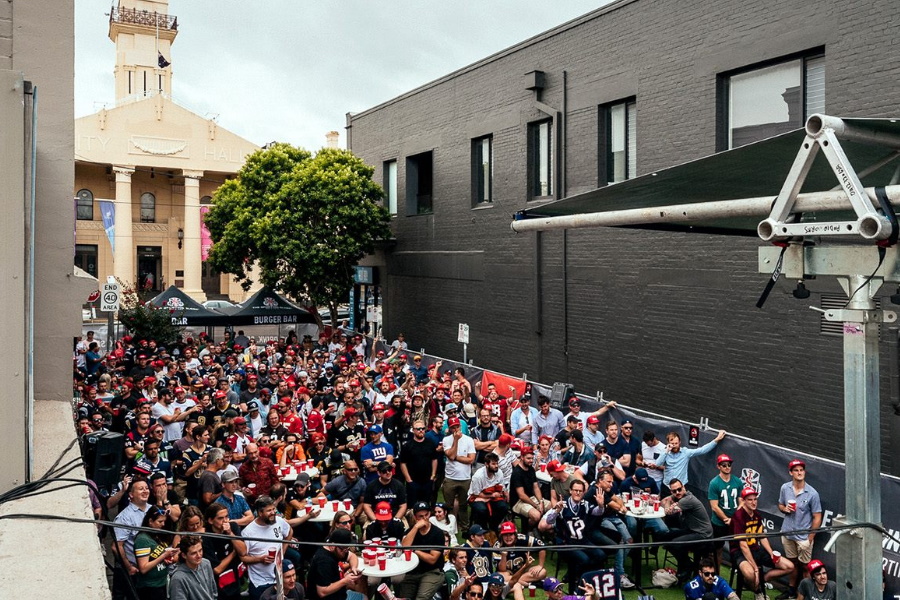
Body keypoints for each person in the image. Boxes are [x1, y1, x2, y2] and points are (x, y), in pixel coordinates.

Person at [540, 479, 607, 587]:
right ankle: (576, 581)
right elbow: (549, 521)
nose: (578, 493)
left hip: (582, 540)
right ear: (570, 491)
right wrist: (557, 511)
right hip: (566, 542)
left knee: (601, 555)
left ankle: (586, 579)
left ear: (584, 492)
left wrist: (600, 505)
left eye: (580, 491)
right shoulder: (563, 504)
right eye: (575, 490)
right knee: (584, 559)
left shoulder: (584, 504)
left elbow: (597, 512)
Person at [732, 487, 793, 600]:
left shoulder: (757, 515)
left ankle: (760, 582)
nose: (753, 502)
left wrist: (771, 554)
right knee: (750, 574)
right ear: (744, 501)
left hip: (756, 549)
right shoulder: (738, 516)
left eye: (755, 499)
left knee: (789, 566)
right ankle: (757, 590)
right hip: (739, 552)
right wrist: (755, 568)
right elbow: (743, 545)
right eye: (750, 500)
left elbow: (762, 537)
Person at [777, 459, 823, 600]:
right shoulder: (785, 488)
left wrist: (810, 537)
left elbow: (817, 517)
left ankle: (806, 594)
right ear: (791, 473)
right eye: (796, 470)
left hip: (804, 537)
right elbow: (780, 505)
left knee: (805, 567)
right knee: (792, 564)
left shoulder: (812, 493)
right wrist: (785, 509)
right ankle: (791, 590)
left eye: (801, 470)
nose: (799, 472)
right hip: (787, 533)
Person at [240, 495, 294, 600]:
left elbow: (289, 531)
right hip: (260, 583)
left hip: (279, 578)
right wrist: (260, 559)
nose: (273, 512)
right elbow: (243, 558)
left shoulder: (279, 521)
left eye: (274, 508)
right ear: (260, 513)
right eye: (269, 510)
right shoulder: (248, 532)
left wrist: (283, 550)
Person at [660, 478, 714, 583]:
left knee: (674, 544)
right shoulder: (679, 496)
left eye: (679, 489)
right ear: (671, 491)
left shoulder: (688, 499)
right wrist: (669, 500)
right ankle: (686, 564)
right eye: (674, 491)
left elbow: (668, 512)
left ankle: (688, 566)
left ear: (684, 487)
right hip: (692, 530)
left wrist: (669, 501)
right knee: (665, 537)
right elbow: (662, 501)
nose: (677, 493)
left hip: (703, 534)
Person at [397, 502, 447, 600]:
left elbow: (432, 559)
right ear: (415, 517)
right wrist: (416, 527)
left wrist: (415, 550)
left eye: (426, 515)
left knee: (422, 598)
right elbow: (404, 547)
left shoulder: (437, 533)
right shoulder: (410, 531)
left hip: (432, 571)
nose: (424, 519)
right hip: (412, 572)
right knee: (403, 598)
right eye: (420, 516)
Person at [113, 477, 151, 598]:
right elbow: (116, 547)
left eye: (146, 488)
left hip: (151, 569)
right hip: (133, 571)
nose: (145, 491)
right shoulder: (124, 517)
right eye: (141, 489)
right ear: (131, 495)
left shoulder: (153, 510)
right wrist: (129, 567)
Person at [650, 429, 727, 489]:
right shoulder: (665, 453)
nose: (674, 446)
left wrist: (717, 439)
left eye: (676, 443)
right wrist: (666, 451)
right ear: (668, 443)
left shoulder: (685, 452)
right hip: (667, 486)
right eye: (672, 444)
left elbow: (702, 450)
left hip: (680, 487)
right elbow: (657, 464)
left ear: (680, 442)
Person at [203, 502, 247, 600]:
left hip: (235, 578)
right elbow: (217, 569)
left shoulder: (233, 527)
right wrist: (234, 553)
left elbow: (243, 551)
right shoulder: (207, 538)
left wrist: (230, 533)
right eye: (220, 518)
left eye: (226, 517)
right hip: (220, 584)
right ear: (210, 520)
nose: (225, 521)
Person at [133, 505, 178, 600]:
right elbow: (143, 568)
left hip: (162, 583)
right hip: (150, 588)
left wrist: (166, 559)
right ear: (150, 521)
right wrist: (164, 556)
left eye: (164, 521)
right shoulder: (143, 540)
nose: (163, 524)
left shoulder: (157, 535)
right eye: (160, 521)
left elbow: (154, 558)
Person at [307, 528, 365, 600]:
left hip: (338, 593)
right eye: (343, 549)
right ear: (333, 546)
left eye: (347, 548)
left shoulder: (336, 550)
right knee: (363, 597)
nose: (345, 551)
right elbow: (322, 592)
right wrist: (345, 581)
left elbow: (352, 556)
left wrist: (353, 568)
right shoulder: (324, 562)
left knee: (362, 583)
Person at [442, 415, 477, 533]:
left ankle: (465, 527)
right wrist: (455, 440)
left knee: (463, 505)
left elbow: (471, 459)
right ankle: (450, 527)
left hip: (465, 477)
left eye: (457, 426)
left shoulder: (469, 440)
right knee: (449, 505)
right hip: (450, 477)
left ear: (460, 426)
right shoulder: (447, 440)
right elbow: (450, 455)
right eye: (453, 427)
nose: (455, 429)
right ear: (450, 428)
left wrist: (455, 457)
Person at [707, 454, 741, 569]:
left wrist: (735, 518)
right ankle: (716, 574)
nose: (727, 467)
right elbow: (714, 506)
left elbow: (741, 501)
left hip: (734, 521)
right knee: (717, 549)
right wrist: (726, 519)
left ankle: (738, 571)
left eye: (729, 465)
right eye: (724, 465)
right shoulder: (714, 483)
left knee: (738, 548)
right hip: (719, 522)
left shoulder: (737, 481)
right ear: (718, 466)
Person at [492, 520, 547, 591]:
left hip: (523, 570)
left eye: (511, 534)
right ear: (501, 536)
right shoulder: (497, 546)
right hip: (507, 573)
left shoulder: (522, 538)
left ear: (515, 534)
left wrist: (540, 565)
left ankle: (517, 582)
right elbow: (502, 569)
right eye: (505, 535)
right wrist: (504, 556)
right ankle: (529, 583)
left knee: (543, 572)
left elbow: (541, 545)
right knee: (499, 576)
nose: (508, 538)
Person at [399, 419, 439, 507]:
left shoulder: (430, 444)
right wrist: (408, 479)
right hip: (413, 481)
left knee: (426, 505)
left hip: (427, 481)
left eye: (423, 428)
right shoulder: (407, 446)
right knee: (412, 506)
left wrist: (432, 475)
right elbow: (403, 463)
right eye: (418, 429)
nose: (421, 430)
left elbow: (434, 459)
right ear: (413, 430)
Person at [467, 451, 509, 532]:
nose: (496, 466)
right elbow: (476, 494)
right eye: (493, 464)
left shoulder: (499, 472)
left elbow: (502, 487)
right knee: (482, 510)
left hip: (493, 495)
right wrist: (491, 496)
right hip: (477, 496)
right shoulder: (478, 476)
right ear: (486, 464)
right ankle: (483, 529)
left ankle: (493, 526)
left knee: (503, 507)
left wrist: (505, 493)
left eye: (497, 463)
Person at [510, 445, 550, 528]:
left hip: (531, 497)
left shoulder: (531, 469)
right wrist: (536, 506)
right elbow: (521, 495)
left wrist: (541, 502)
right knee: (536, 515)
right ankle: (528, 529)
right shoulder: (517, 473)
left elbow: (536, 487)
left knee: (551, 506)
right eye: (528, 458)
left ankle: (542, 528)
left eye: (532, 458)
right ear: (522, 457)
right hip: (518, 501)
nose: (531, 461)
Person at [169, 535, 218, 600]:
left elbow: (213, 590)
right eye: (193, 553)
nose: (199, 555)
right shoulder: (178, 578)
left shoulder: (206, 563)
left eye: (200, 550)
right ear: (184, 555)